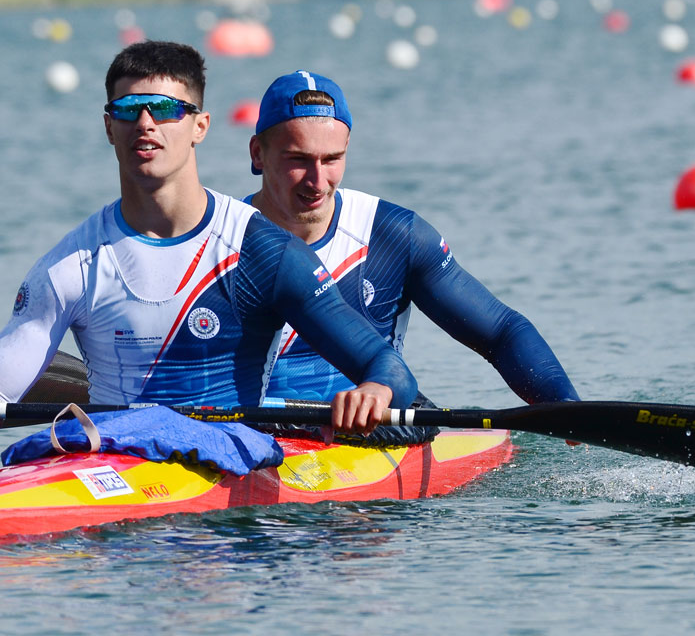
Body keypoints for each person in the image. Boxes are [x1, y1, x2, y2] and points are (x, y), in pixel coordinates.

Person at [0, 42, 418, 437]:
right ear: (109, 126)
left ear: (201, 127)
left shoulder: (261, 251)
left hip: (230, 470)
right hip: (111, 461)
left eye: (167, 109)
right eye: (128, 109)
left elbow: (385, 364)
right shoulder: (70, 265)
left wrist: (375, 391)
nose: (145, 123)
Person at [245, 70, 578, 407]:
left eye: (332, 159)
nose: (317, 181)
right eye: (298, 160)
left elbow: (501, 333)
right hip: (251, 429)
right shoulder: (222, 238)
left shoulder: (395, 236)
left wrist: (560, 401)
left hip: (375, 432)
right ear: (258, 154)